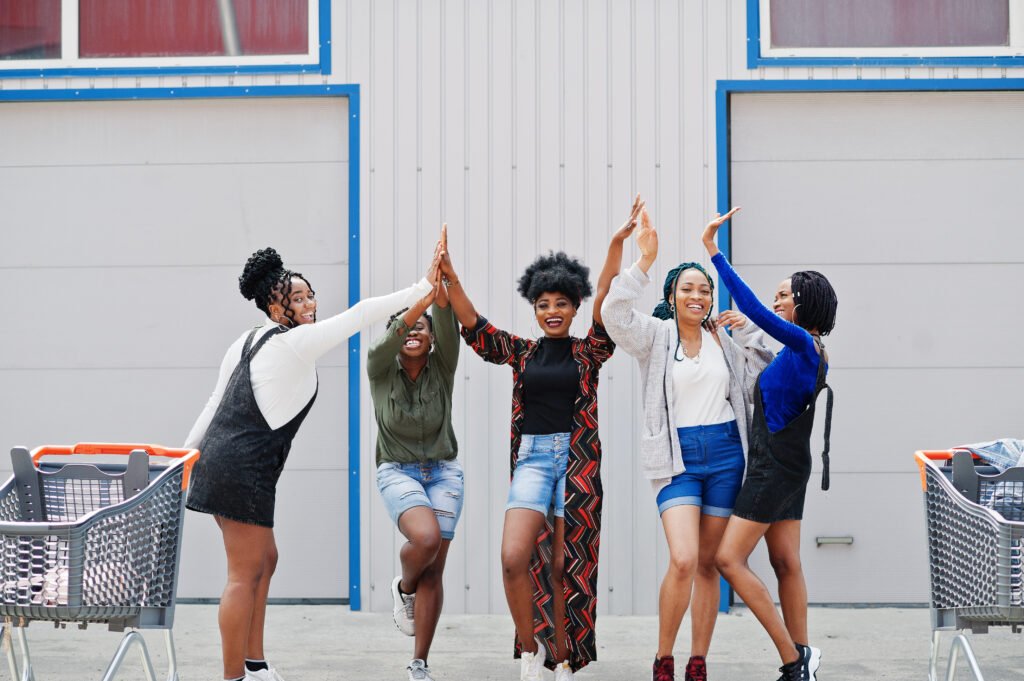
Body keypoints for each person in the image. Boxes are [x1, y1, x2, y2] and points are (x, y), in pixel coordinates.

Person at [185, 246, 439, 681]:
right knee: (243, 574)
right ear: (274, 307)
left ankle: (254, 664)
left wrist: (190, 455)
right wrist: (422, 289)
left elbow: (214, 403)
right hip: (241, 471)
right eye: (296, 298)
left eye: (309, 295)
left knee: (266, 558)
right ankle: (233, 677)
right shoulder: (294, 343)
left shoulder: (247, 340)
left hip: (229, 466)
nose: (308, 305)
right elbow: (360, 314)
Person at [438, 220, 625, 681]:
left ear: (575, 307)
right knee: (514, 558)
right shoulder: (522, 353)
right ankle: (530, 649)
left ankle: (562, 660)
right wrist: (451, 276)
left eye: (561, 303)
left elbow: (606, 295)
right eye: (543, 304)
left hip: (577, 464)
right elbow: (474, 325)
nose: (552, 311)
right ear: (535, 310)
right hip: (534, 459)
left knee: (562, 567)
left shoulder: (589, 352)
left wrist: (616, 244)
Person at [601, 201, 772, 681]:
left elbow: (768, 366)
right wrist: (644, 261)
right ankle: (663, 657)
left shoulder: (723, 340)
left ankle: (698, 660)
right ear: (673, 295)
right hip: (676, 458)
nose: (697, 296)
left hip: (726, 454)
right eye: (687, 289)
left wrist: (748, 328)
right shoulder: (655, 336)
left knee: (708, 565)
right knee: (683, 558)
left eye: (704, 290)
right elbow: (613, 314)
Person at [702, 208, 837, 681]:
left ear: (804, 303)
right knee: (785, 561)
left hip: (773, 468)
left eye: (784, 295)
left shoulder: (801, 344)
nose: (776, 301)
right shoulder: (808, 350)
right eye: (776, 294)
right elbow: (759, 328)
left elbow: (757, 312)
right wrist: (741, 328)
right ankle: (804, 661)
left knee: (726, 559)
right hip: (790, 465)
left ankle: (792, 658)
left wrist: (714, 253)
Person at [369, 226, 462, 681]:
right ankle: (403, 588)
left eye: (421, 328)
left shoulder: (443, 367)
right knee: (425, 541)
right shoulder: (380, 370)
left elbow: (446, 319)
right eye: (406, 327)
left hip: (444, 472)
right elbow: (385, 341)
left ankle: (419, 662)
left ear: (430, 338)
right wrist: (419, 300)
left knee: (435, 570)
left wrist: (441, 277)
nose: (413, 331)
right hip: (397, 471)